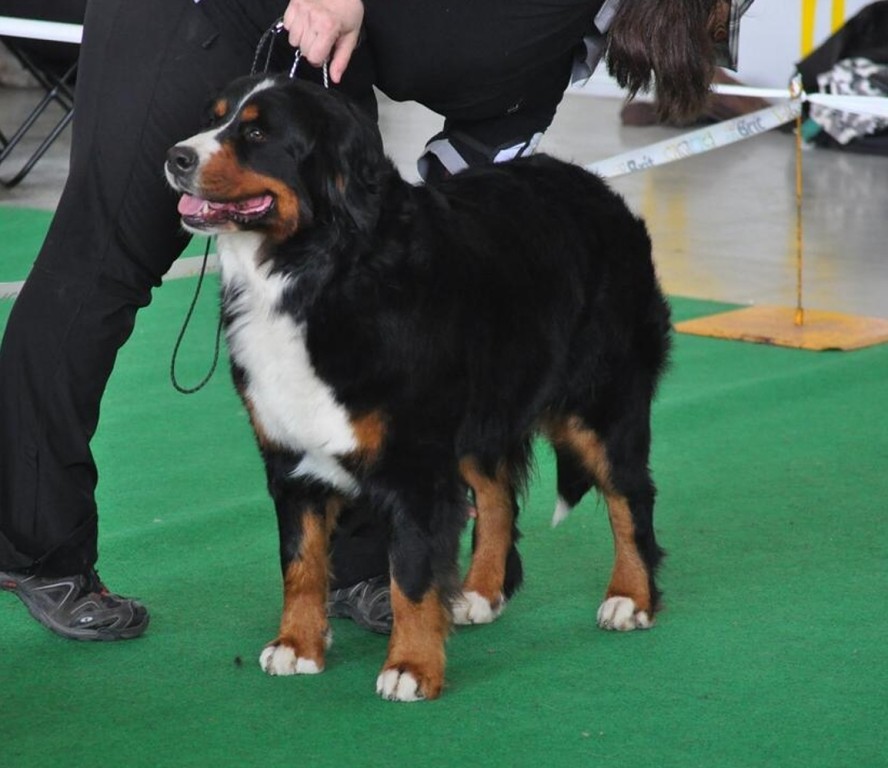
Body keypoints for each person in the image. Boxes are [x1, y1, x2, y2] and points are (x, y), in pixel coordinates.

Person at [0, 0, 751, 641]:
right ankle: (39, 550)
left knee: (361, 271)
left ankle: (365, 569)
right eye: (722, 18)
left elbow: (465, 170)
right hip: (204, 13)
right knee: (100, 266)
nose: (717, 37)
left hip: (325, 45)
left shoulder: (559, 52)